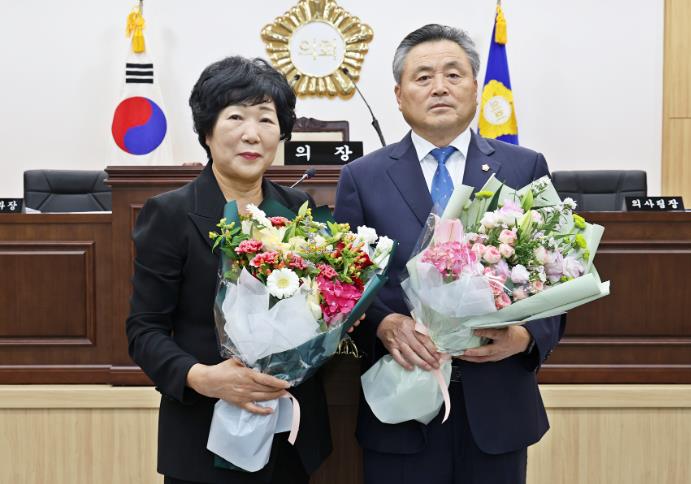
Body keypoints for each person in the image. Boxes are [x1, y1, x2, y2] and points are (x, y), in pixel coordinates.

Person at [334, 24, 566, 484]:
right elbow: (346, 284)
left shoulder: (524, 167)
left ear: (476, 87)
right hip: (402, 401)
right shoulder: (362, 176)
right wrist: (384, 322)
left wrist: (525, 336)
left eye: (453, 74)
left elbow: (560, 273)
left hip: (497, 402)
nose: (439, 87)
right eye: (423, 77)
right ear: (399, 95)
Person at [126, 56, 332, 484]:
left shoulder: (299, 210)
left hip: (289, 439)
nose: (251, 133)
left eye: (266, 119)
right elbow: (144, 331)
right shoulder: (170, 214)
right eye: (236, 117)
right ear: (207, 130)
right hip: (203, 437)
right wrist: (204, 378)